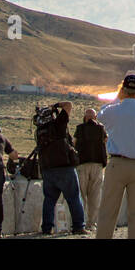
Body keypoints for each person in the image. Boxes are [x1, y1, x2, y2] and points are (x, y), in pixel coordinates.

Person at [94, 74, 135, 239]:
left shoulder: (114, 111)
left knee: (108, 210)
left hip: (117, 164)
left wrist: (118, 97)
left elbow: (100, 114)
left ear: (123, 90)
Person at [36, 100, 84, 235]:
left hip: (47, 169)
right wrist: (56, 105)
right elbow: (69, 104)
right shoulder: (58, 124)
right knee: (74, 198)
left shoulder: (40, 131)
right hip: (64, 168)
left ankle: (47, 228)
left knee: (49, 199)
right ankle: (78, 226)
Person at [74, 107, 108, 231]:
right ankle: (92, 223)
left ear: (85, 117)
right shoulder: (101, 128)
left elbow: (74, 142)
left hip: (82, 164)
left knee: (81, 194)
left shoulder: (80, 128)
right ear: (95, 117)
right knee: (95, 195)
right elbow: (105, 140)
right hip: (97, 164)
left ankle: (80, 222)